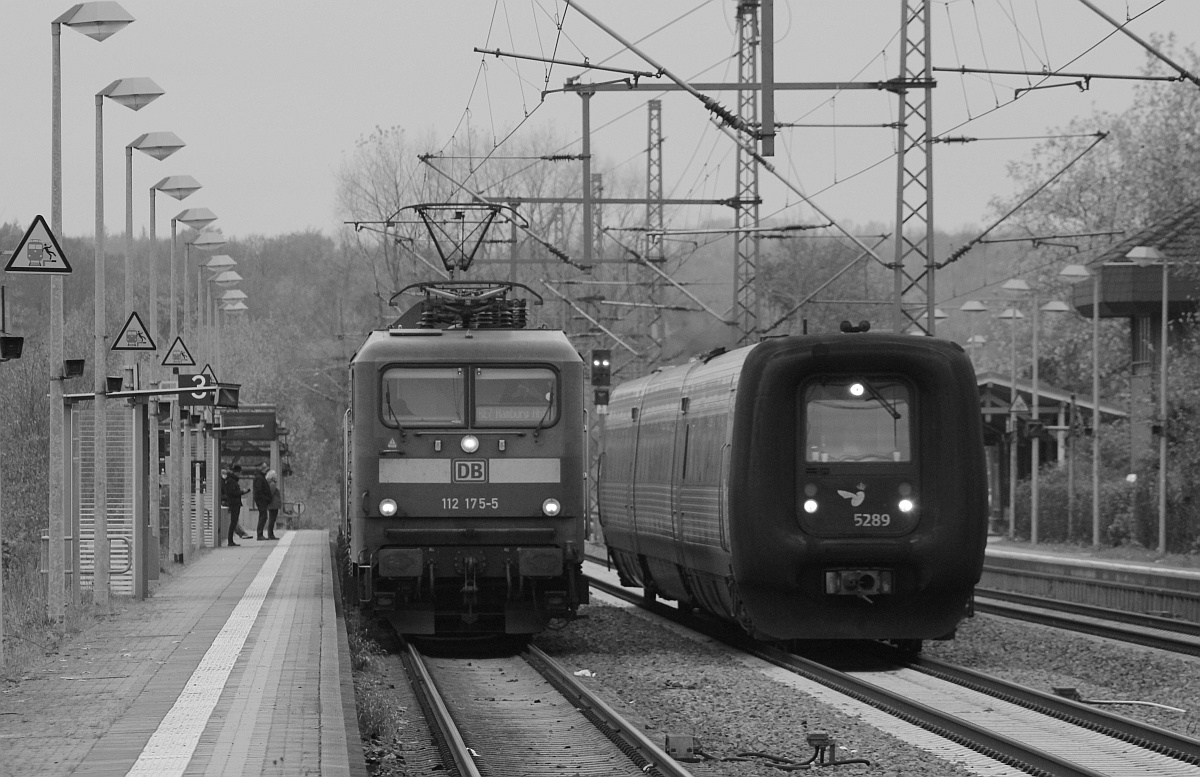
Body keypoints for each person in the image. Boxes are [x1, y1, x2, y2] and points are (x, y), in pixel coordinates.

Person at [221, 465, 251, 547]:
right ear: (237, 472)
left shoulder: (231, 480)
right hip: (234, 503)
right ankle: (230, 540)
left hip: (234, 503)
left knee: (234, 522)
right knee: (233, 522)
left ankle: (231, 540)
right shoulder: (232, 481)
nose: (240, 474)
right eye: (240, 472)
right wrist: (242, 492)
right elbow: (232, 493)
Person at [253, 462, 272, 540]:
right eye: (265, 468)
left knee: (263, 516)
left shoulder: (260, 477)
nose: (266, 470)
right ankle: (259, 534)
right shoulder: (259, 478)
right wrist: (265, 498)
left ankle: (260, 534)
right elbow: (259, 490)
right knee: (263, 516)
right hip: (261, 500)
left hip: (262, 500)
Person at [265, 469, 282, 540]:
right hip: (274, 504)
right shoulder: (272, 484)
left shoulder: (269, 483)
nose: (276, 477)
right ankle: (270, 534)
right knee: (272, 519)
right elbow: (271, 494)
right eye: (275, 476)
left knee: (272, 519)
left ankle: (270, 534)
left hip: (272, 504)